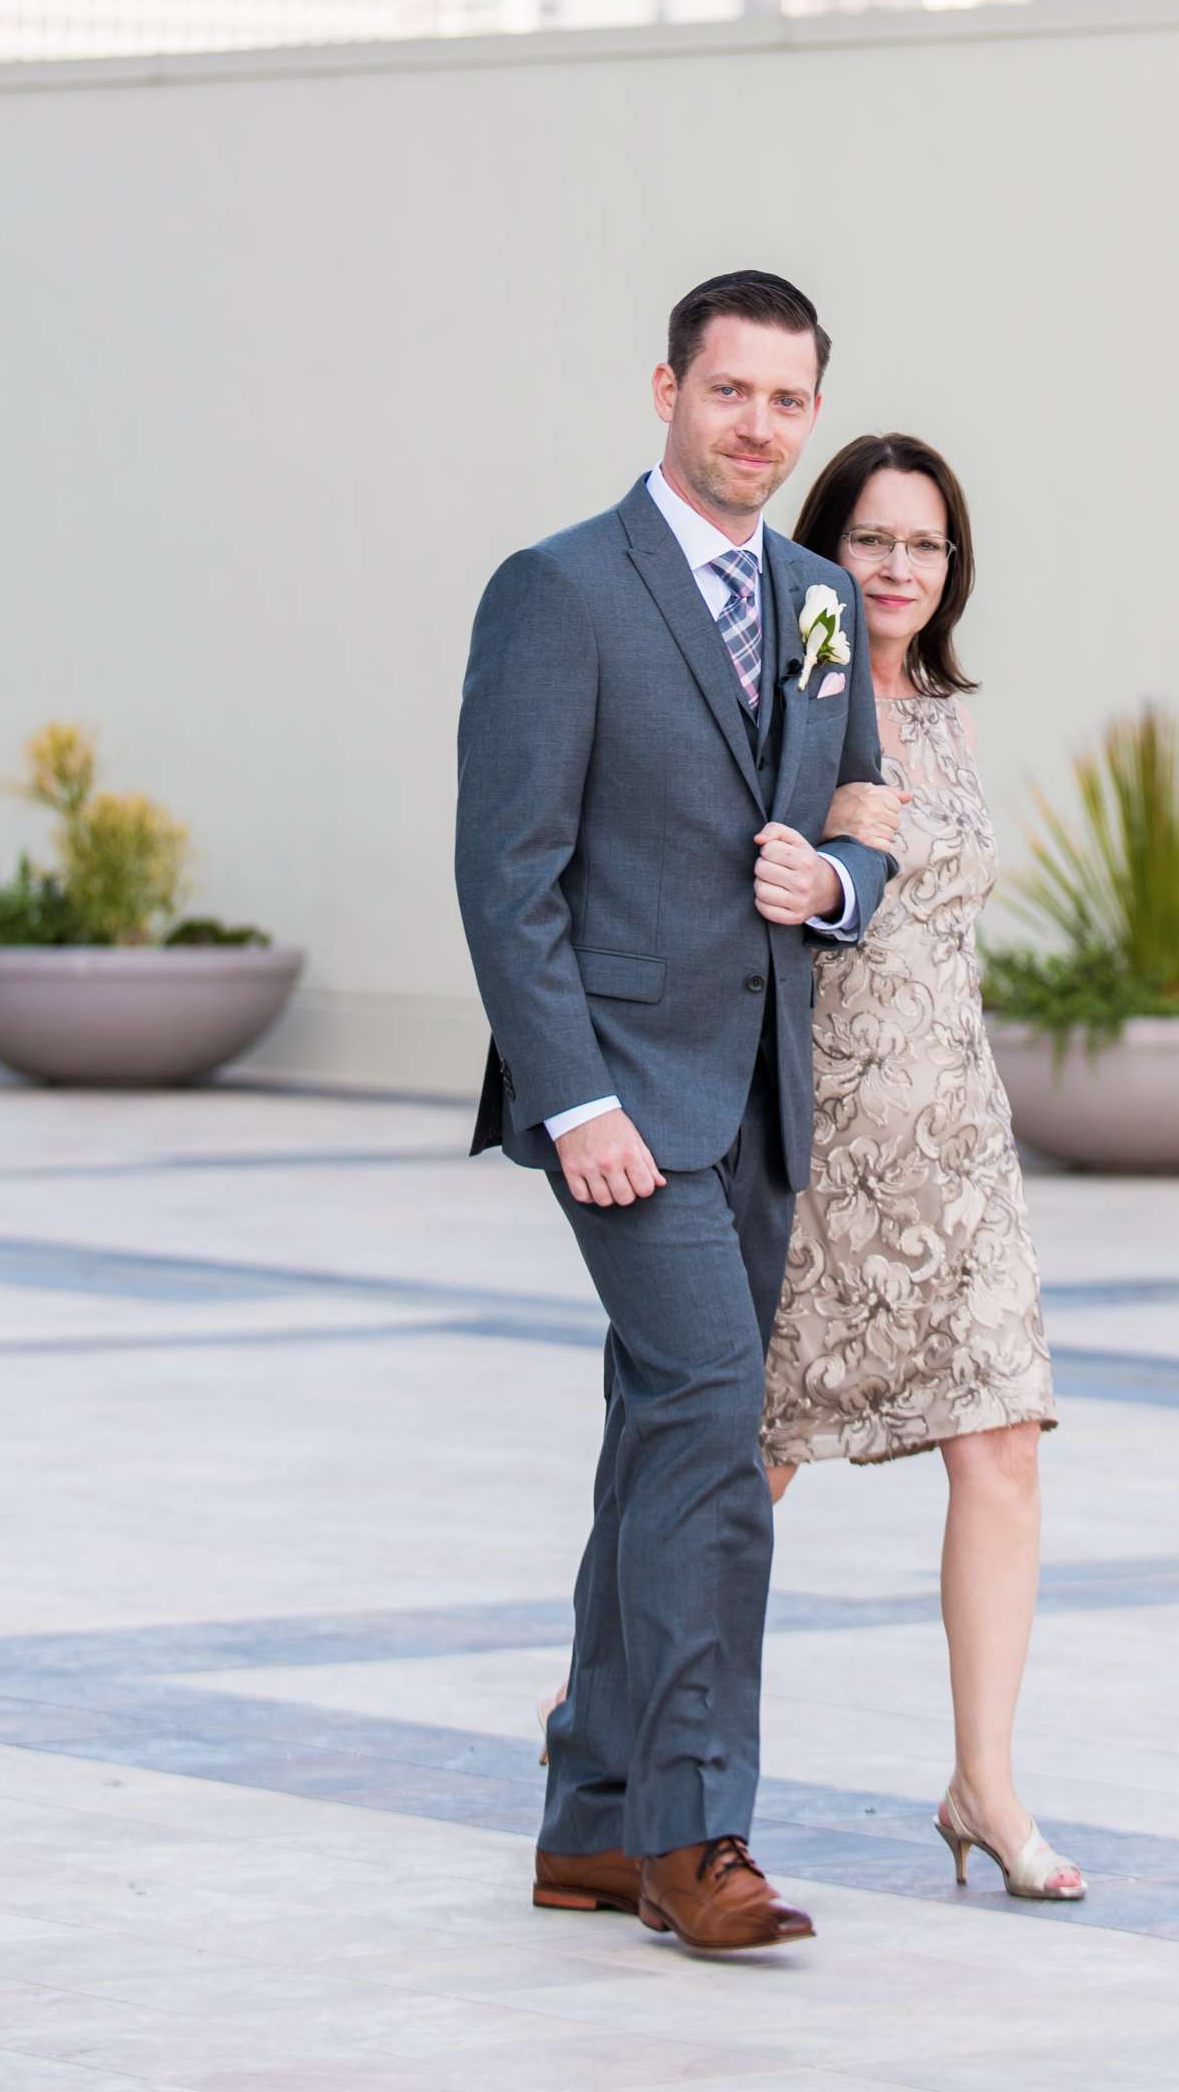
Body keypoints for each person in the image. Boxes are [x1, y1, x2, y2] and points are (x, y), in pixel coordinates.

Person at [455, 272, 895, 1955]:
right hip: (622, 1103)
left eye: (790, 402)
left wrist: (838, 879)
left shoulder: (816, 600)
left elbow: (860, 806)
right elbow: (508, 879)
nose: (761, 429)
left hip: (762, 1091)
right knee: (717, 1424)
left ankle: (588, 1820)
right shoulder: (561, 590)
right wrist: (573, 1101)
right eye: (732, 394)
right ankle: (697, 1834)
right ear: (666, 390)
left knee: (663, 1429)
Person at [762, 431, 1085, 1903]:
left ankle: (986, 1783)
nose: (901, 569)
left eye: (929, 546)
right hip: (817, 1136)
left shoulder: (946, 714)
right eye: (876, 540)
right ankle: (617, 1731)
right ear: (826, 544)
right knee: (739, 1464)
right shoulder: (778, 697)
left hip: (957, 1138)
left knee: (1002, 1441)